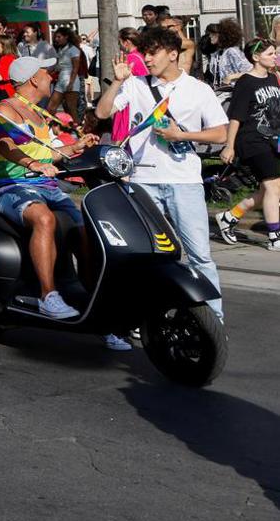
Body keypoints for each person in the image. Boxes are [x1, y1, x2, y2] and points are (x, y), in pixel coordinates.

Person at [95, 25, 229, 320]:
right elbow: (102, 113)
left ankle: (213, 319)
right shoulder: (135, 84)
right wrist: (117, 83)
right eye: (144, 52)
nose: (147, 58)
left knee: (199, 255)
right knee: (147, 255)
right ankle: (147, 317)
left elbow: (220, 133)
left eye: (152, 52)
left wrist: (181, 137)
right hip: (144, 180)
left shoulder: (198, 89)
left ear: (172, 54)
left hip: (184, 180)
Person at [0, 57, 101, 320]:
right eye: (47, 73)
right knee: (44, 219)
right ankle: (48, 296)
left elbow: (49, 155)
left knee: (86, 228)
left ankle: (92, 299)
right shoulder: (6, 108)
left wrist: (75, 147)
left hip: (45, 185)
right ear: (33, 79)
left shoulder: (38, 112)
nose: (52, 77)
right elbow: (5, 145)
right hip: (12, 185)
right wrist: (32, 163)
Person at [216, 40, 280, 251]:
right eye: (270, 53)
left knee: (267, 190)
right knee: (273, 186)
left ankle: (229, 217)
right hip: (250, 140)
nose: (274, 56)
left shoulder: (272, 78)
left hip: (271, 140)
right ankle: (274, 237)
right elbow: (236, 117)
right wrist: (229, 146)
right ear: (256, 57)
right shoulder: (245, 82)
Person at [48, 27, 82, 119]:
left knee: (71, 108)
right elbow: (58, 67)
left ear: (66, 37)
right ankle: (53, 126)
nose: (56, 39)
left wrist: (71, 83)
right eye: (56, 37)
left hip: (72, 82)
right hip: (61, 81)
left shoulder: (74, 49)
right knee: (51, 107)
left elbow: (75, 68)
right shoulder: (60, 50)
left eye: (59, 37)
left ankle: (77, 130)